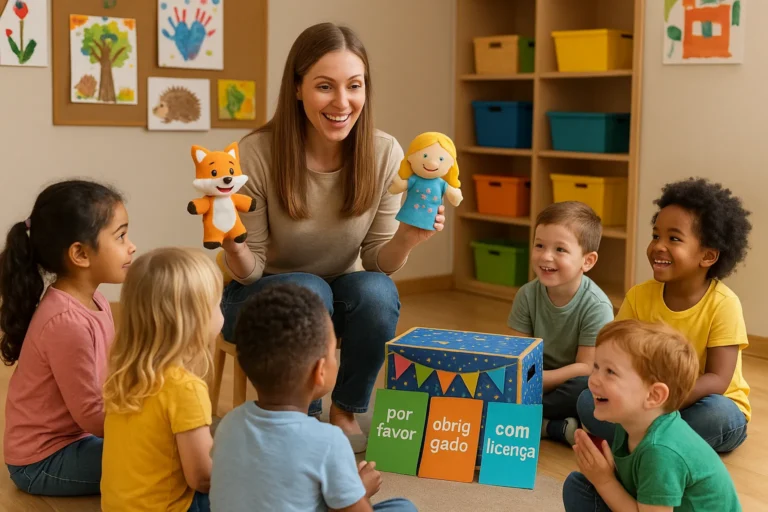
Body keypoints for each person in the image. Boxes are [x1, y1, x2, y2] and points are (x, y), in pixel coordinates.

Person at [219, 22, 443, 452]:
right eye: (325, 86)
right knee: (309, 288)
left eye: (354, 86)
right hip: (260, 300)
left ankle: (345, 411)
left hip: (336, 297)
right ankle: (300, 416)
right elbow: (253, 269)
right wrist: (233, 244)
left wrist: (409, 238)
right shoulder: (255, 153)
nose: (342, 103)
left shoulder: (383, 153)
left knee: (376, 292)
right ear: (298, 88)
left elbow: (378, 260)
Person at [577, 178, 752, 453]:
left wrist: (661, 404)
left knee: (717, 415)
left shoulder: (724, 304)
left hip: (702, 402)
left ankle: (638, 443)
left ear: (707, 256)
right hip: (644, 400)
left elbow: (718, 378)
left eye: (674, 238)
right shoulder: (639, 296)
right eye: (656, 235)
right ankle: (660, 445)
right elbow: (616, 352)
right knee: (587, 400)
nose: (658, 245)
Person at [210, 283, 417, 512]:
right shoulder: (329, 441)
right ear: (320, 371)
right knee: (402, 507)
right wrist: (361, 490)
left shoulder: (228, 425)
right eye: (331, 354)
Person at [0, 180, 135, 496]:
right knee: (159, 456)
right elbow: (92, 416)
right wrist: (145, 427)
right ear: (80, 254)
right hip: (42, 461)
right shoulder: (66, 322)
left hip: (78, 439)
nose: (131, 246)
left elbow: (109, 378)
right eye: (121, 236)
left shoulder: (96, 301)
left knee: (169, 445)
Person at [563, 320, 741, 512]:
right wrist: (605, 471)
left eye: (610, 372)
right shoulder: (631, 422)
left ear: (653, 396)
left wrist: (605, 480)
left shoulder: (661, 451)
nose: (594, 379)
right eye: (596, 366)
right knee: (578, 487)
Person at [101, 248, 221, 512]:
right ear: (196, 321)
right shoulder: (186, 388)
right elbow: (202, 478)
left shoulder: (125, 374)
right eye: (217, 305)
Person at [507, 201, 614, 445]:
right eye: (539, 245)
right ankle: (550, 426)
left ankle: (524, 418)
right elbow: (516, 352)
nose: (546, 256)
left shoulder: (597, 305)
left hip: (568, 382)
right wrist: (522, 377)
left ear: (587, 261)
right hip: (533, 378)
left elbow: (587, 367)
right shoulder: (527, 294)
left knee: (586, 388)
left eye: (560, 250)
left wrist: (541, 380)